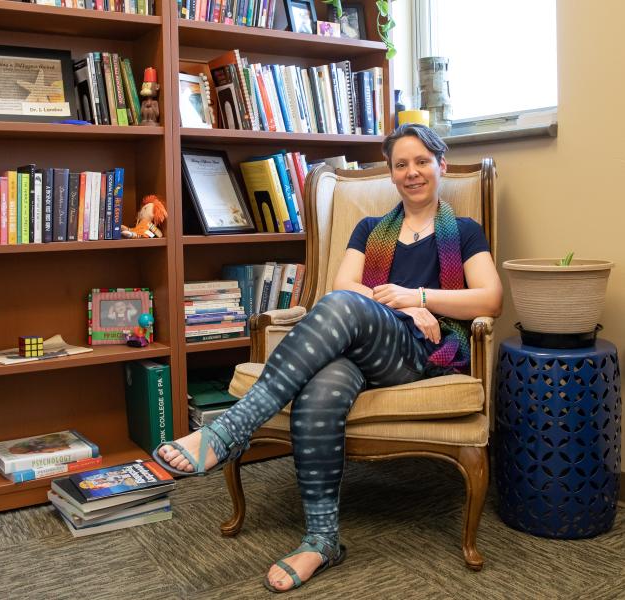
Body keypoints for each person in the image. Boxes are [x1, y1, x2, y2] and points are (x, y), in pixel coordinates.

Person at [153, 123, 502, 592]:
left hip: (421, 353)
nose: (412, 172)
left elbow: (489, 300)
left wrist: (421, 298)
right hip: (366, 344)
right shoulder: (369, 229)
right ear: (392, 173)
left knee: (339, 305)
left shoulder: (463, 231)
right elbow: (344, 286)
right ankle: (322, 540)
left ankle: (231, 428)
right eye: (401, 164)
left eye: (421, 161)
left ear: (441, 165)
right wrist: (401, 303)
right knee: (322, 386)